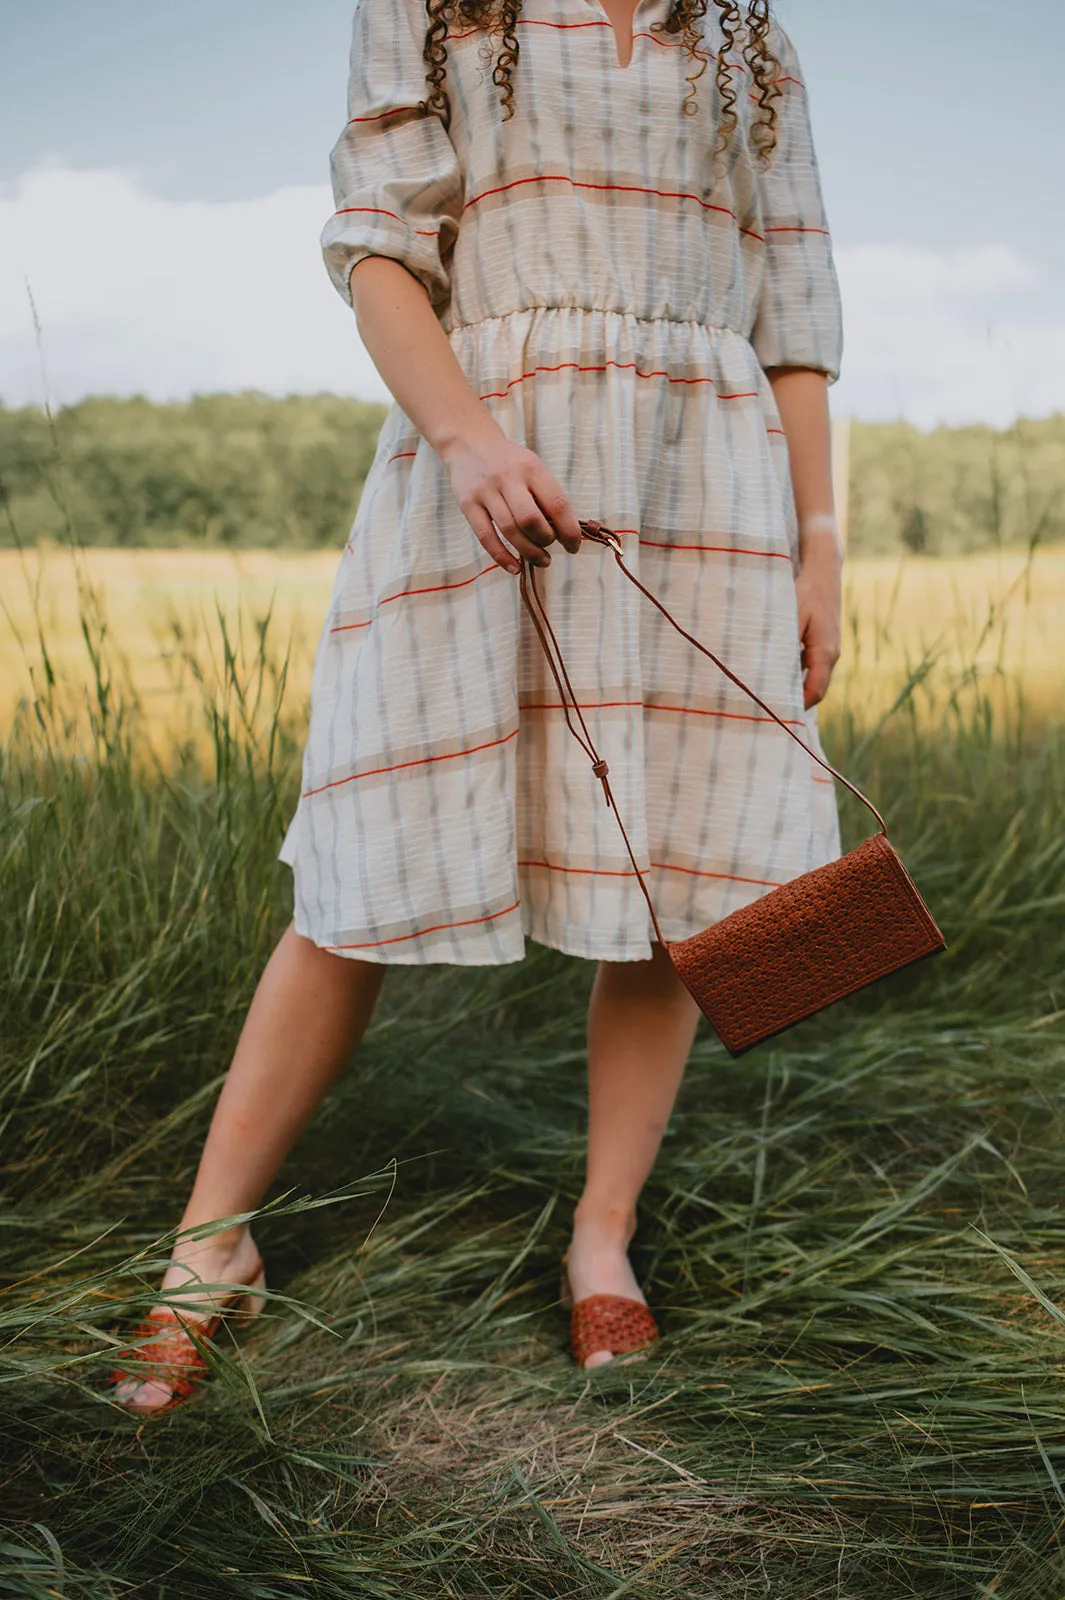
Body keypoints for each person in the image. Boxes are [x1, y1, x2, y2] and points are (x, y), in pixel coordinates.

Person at [111, 0, 844, 1408]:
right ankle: (210, 1245)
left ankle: (602, 1236)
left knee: (680, 874)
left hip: (707, 477)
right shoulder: (440, 6)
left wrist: (820, 547)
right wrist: (467, 437)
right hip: (486, 460)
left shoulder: (751, 38)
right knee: (366, 856)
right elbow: (378, 243)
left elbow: (796, 312)